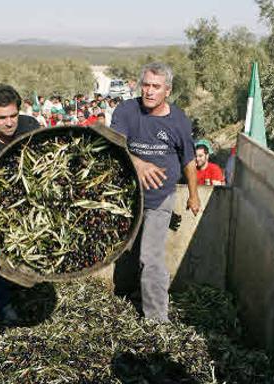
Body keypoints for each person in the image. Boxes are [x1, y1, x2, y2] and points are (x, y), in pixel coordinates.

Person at [111, 62, 200, 323]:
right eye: (146, 85)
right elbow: (114, 145)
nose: (149, 92)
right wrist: (137, 163)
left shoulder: (179, 120)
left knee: (150, 259)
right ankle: (132, 295)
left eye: (156, 87)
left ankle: (157, 320)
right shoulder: (127, 110)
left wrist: (193, 195)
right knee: (127, 254)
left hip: (160, 198)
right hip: (125, 196)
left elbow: (188, 160)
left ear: (167, 91)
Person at [0, 84, 40, 321]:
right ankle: (1, 307)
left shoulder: (30, 126)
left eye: (13, 115)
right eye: (1, 118)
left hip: (30, 198)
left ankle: (25, 290)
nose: (10, 123)